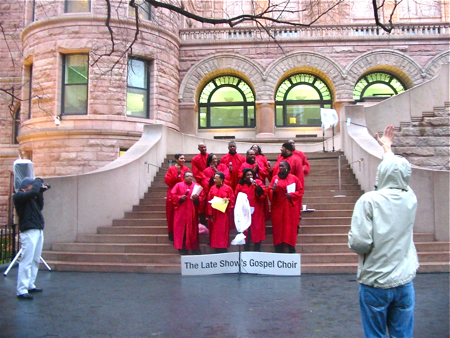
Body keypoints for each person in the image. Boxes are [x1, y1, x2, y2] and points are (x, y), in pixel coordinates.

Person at [348, 125, 419, 338]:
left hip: (376, 282)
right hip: (404, 282)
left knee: (375, 335)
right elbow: (396, 170)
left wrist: (351, 238)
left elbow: (360, 243)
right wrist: (387, 148)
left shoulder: (369, 201)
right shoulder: (410, 198)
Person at [13, 177, 50, 300]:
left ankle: (30, 284)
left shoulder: (30, 198)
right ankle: (21, 289)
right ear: (28, 185)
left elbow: (39, 206)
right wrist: (38, 180)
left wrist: (40, 193)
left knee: (35, 259)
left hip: (37, 230)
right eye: (33, 185)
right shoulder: (18, 196)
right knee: (26, 260)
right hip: (29, 231)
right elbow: (33, 192)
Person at [268, 161, 303, 253]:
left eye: (282, 166)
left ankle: (291, 246)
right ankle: (279, 248)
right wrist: (273, 191)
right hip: (278, 207)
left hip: (289, 207)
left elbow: (300, 190)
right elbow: (270, 190)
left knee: (289, 228)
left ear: (287, 168)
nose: (280, 167)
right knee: (278, 228)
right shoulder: (275, 178)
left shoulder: (294, 178)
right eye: (279, 166)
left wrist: (292, 195)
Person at [171, 171, 203, 255]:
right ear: (184, 177)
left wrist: (197, 198)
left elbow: (202, 197)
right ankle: (182, 248)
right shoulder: (178, 185)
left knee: (192, 230)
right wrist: (180, 198)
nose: (190, 177)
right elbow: (172, 196)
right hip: (181, 212)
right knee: (182, 230)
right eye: (188, 176)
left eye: (191, 176)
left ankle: (194, 248)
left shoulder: (197, 186)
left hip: (192, 211)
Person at [235, 168, 266, 251]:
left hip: (256, 210)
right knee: (246, 230)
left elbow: (262, 193)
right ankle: (246, 249)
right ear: (244, 176)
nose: (250, 176)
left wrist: (257, 186)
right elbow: (237, 196)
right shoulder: (240, 185)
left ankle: (257, 249)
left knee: (257, 229)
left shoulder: (258, 182)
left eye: (251, 175)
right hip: (245, 211)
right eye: (248, 175)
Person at [164, 154, 190, 242]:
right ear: (176, 159)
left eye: (184, 158)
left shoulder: (186, 169)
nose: (183, 160)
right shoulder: (171, 169)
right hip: (173, 193)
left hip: (183, 193)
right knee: (171, 214)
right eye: (181, 158)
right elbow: (168, 181)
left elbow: (187, 182)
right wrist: (177, 175)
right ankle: (171, 233)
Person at [207, 172, 235, 253]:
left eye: (216, 178)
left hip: (223, 214)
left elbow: (232, 199)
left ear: (222, 179)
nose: (214, 180)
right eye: (214, 178)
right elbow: (209, 201)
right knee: (215, 233)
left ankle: (223, 248)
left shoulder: (228, 188)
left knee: (222, 232)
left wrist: (228, 200)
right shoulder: (212, 188)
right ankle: (216, 248)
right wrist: (210, 214)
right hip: (214, 213)